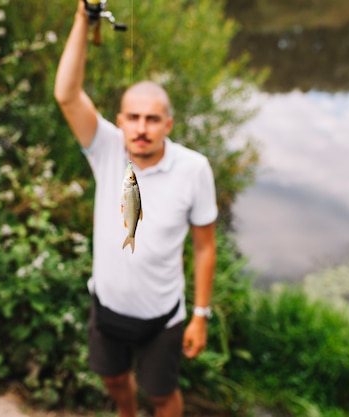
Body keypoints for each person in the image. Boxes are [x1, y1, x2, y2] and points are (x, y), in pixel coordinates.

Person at [54, 2, 218, 416]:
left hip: (162, 318)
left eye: (152, 119)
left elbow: (204, 246)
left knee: (162, 395)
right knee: (113, 380)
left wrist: (200, 314)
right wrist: (82, 18)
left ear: (169, 124)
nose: (141, 129)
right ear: (119, 120)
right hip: (106, 308)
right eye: (133, 118)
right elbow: (66, 94)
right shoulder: (105, 147)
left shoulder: (194, 169)